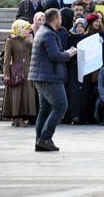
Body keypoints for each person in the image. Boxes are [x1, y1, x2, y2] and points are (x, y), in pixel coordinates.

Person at [28, 8, 77, 152]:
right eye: (60, 18)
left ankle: (40, 140)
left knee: (45, 108)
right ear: (55, 19)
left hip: (42, 76)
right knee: (61, 105)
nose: (61, 21)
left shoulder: (43, 31)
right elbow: (55, 56)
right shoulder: (48, 34)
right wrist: (69, 53)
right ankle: (45, 138)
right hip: (49, 77)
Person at [2, 20, 37, 127]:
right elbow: (6, 59)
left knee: (26, 95)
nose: (29, 30)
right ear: (20, 28)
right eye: (26, 28)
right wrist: (6, 74)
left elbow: (35, 54)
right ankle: (16, 117)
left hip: (27, 72)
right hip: (16, 72)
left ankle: (22, 117)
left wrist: (32, 42)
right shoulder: (11, 41)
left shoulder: (29, 40)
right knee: (16, 95)